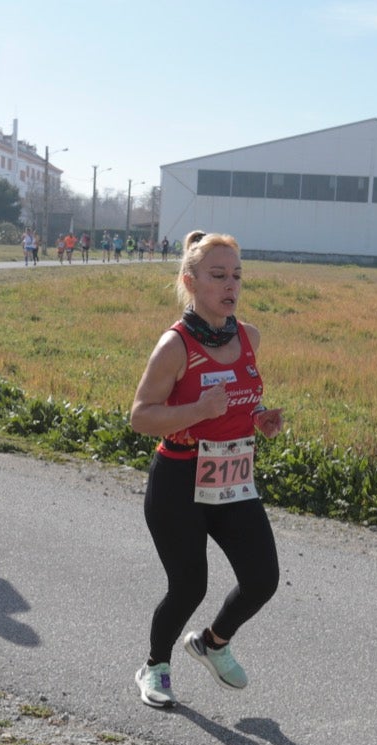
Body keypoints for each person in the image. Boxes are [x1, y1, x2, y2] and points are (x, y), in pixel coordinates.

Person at [128, 231, 285, 708]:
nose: (230, 285)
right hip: (178, 479)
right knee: (189, 584)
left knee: (263, 578)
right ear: (190, 282)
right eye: (218, 275)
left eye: (236, 275)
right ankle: (154, 666)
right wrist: (197, 410)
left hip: (232, 477)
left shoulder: (248, 336)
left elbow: (236, 404)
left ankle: (212, 642)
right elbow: (140, 416)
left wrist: (260, 419)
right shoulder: (174, 346)